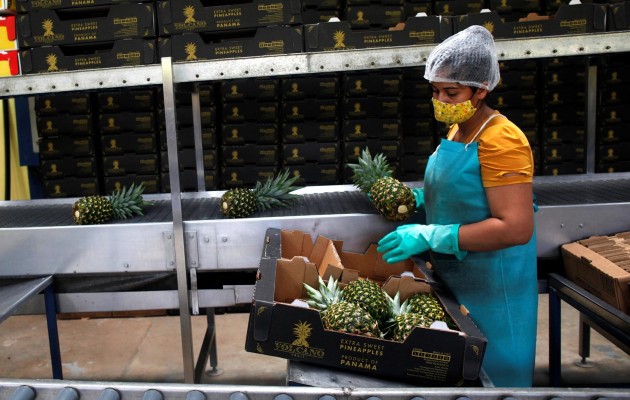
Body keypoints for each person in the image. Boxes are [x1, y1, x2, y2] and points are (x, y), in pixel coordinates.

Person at [377, 25, 538, 387]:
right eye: (435, 91)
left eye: (452, 92)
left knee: (495, 379)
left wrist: (434, 233)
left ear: (481, 91)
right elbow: (463, 192)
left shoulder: (502, 139)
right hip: (459, 279)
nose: (441, 101)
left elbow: (516, 227)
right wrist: (417, 202)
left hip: (494, 289)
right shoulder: (458, 130)